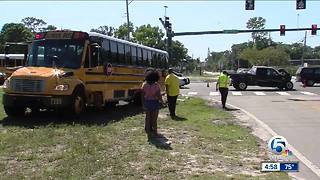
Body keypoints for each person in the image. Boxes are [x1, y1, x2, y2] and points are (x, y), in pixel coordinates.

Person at [141, 69, 163, 137]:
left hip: (147, 102)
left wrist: (143, 103)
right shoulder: (157, 85)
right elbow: (158, 95)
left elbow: (142, 94)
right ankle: (155, 132)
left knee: (147, 118)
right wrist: (162, 101)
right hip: (155, 102)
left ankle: (148, 132)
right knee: (154, 119)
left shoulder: (144, 85)